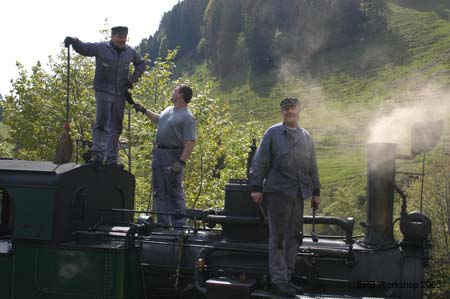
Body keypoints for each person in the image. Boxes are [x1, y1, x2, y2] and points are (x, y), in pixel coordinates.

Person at [250, 97, 321, 297]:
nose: (289, 112)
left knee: (295, 238)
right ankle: (278, 281)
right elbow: (260, 161)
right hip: (278, 193)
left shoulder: (306, 137)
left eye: (292, 108)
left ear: (299, 111)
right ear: (282, 112)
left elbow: (312, 166)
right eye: (286, 109)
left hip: (299, 194)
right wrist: (256, 186)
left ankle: (287, 278)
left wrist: (316, 191)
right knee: (278, 238)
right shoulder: (272, 133)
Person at [64, 26, 145, 165]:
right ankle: (98, 154)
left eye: (124, 37)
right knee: (101, 122)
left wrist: (132, 78)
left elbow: (141, 63)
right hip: (103, 90)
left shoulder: (130, 52)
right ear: (112, 36)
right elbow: (85, 48)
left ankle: (112, 157)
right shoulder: (101, 48)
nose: (122, 40)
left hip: (120, 93)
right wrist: (74, 41)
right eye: (119, 37)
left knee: (116, 126)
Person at [134, 85, 196, 227]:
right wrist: (144, 110)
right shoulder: (169, 110)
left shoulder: (187, 117)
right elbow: (158, 119)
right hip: (159, 153)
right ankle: (163, 225)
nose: (172, 92)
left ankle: (179, 225)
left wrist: (181, 162)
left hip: (173, 154)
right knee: (159, 190)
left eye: (174, 90)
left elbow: (191, 141)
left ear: (180, 95)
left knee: (174, 191)